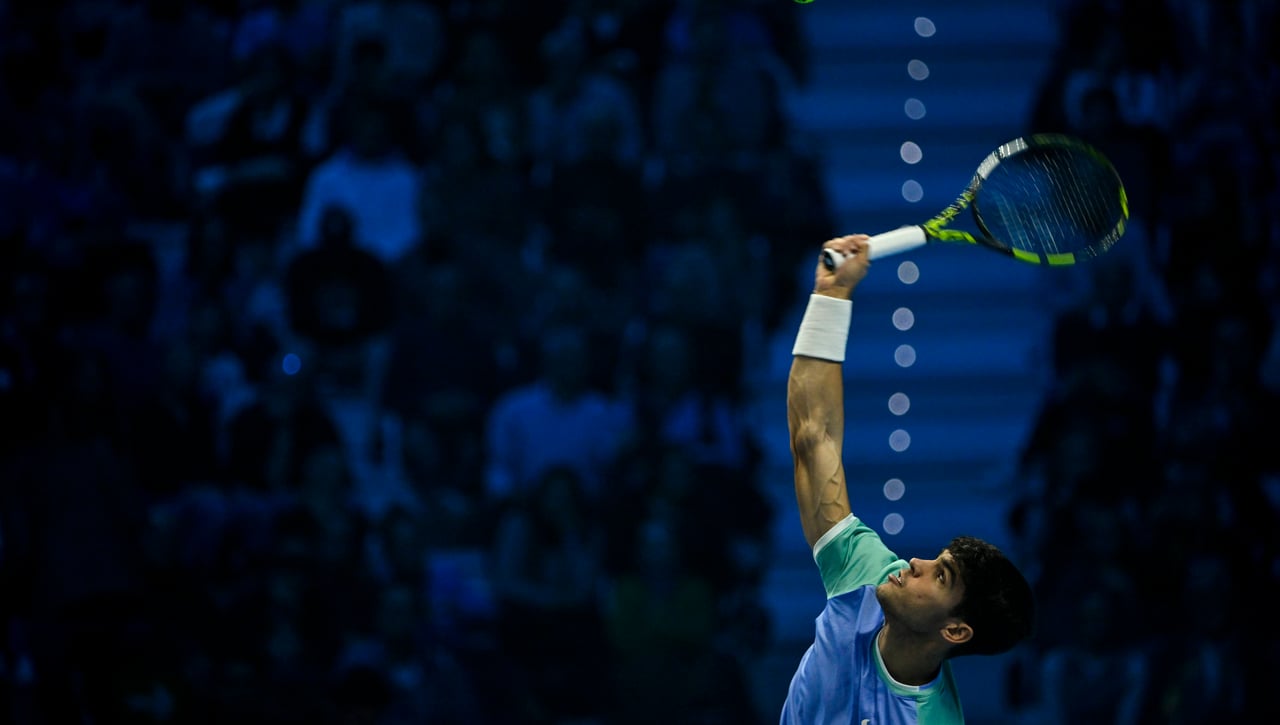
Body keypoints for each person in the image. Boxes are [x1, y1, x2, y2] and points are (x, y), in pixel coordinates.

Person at [781, 235, 1035, 723]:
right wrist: (831, 296)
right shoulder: (869, 578)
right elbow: (814, 439)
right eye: (936, 559)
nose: (914, 562)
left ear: (955, 631)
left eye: (940, 576)